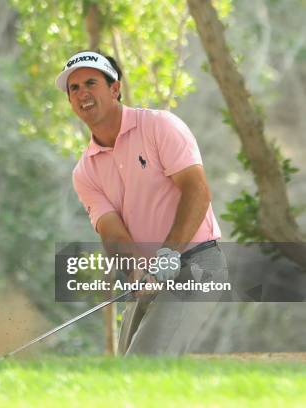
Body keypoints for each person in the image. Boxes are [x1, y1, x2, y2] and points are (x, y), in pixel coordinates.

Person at [55, 50, 228, 355]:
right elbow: (112, 233)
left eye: (91, 83)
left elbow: (197, 191)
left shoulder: (160, 126)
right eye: (74, 88)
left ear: (114, 88)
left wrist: (169, 252)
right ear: (70, 100)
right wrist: (136, 271)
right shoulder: (85, 172)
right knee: (128, 368)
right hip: (151, 274)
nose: (82, 93)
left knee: (144, 360)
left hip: (198, 264)